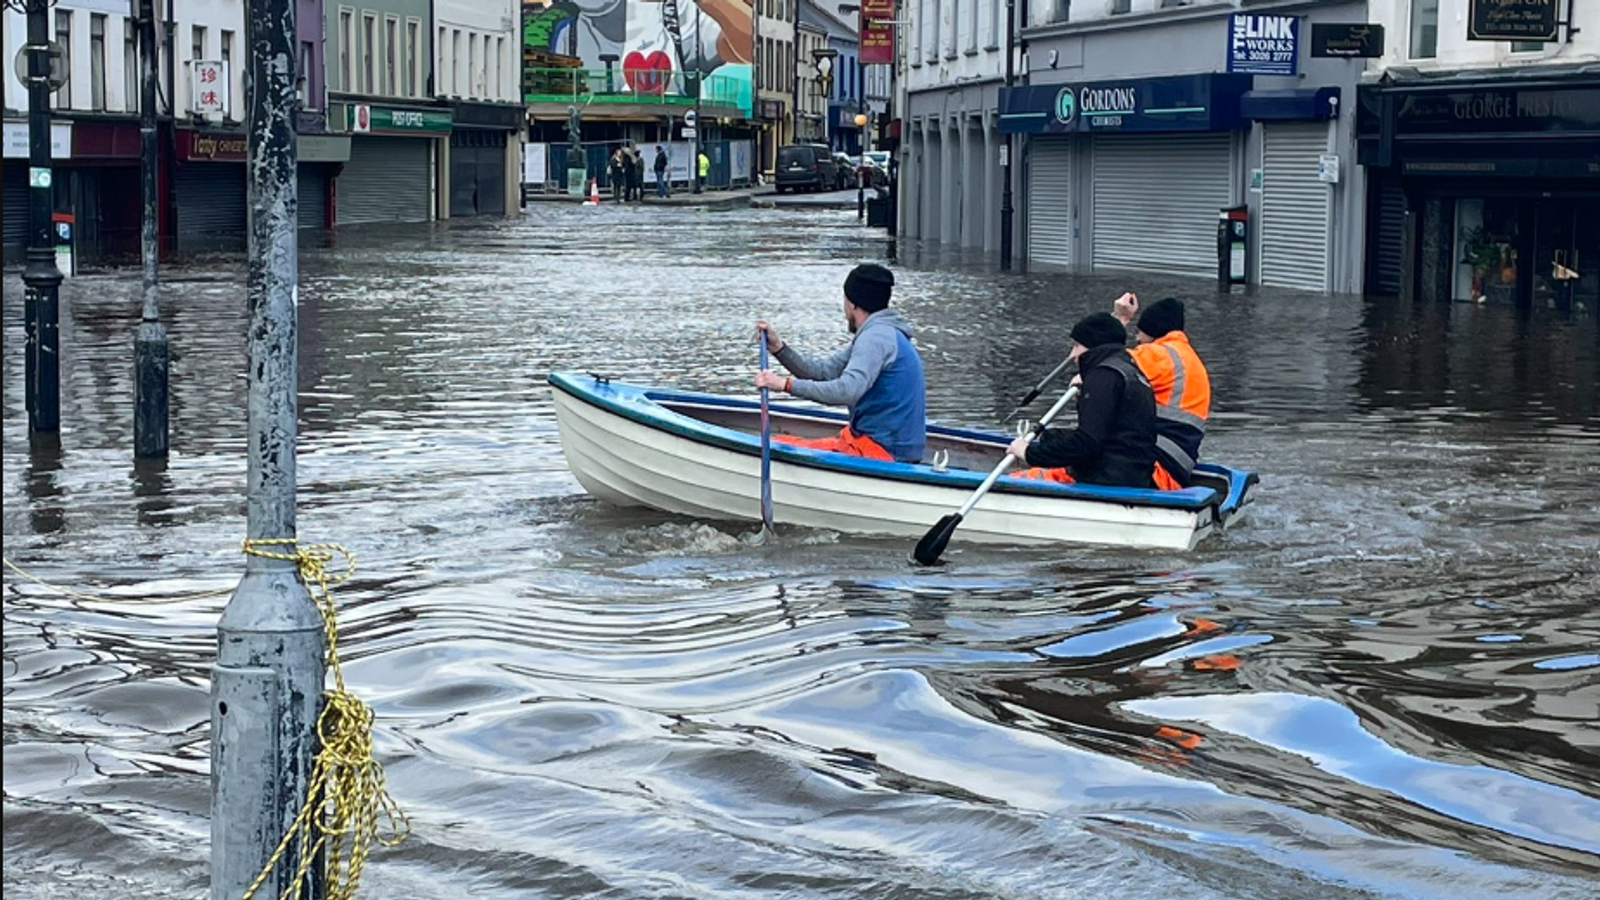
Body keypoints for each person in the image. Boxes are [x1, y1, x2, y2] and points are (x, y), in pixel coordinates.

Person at [754, 264, 926, 464]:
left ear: (852, 304)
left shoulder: (875, 338)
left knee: (776, 443)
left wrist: (785, 385)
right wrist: (779, 349)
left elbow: (847, 391)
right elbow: (823, 372)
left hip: (882, 453)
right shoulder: (884, 333)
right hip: (884, 448)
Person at [1007, 312, 1157, 489]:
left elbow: (1087, 443)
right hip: (1133, 474)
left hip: (1106, 478)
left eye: (1077, 346)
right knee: (1053, 437)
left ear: (1093, 347)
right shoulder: (1132, 372)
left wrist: (1028, 452)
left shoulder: (1102, 377)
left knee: (1018, 478)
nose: (1073, 355)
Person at [1112, 293, 1211, 490]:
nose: (1137, 338)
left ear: (1153, 331)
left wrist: (1119, 318)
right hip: (1176, 466)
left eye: (1140, 331)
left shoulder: (1157, 355)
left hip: (1152, 467)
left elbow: (1101, 361)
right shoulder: (1188, 358)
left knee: (1064, 463)